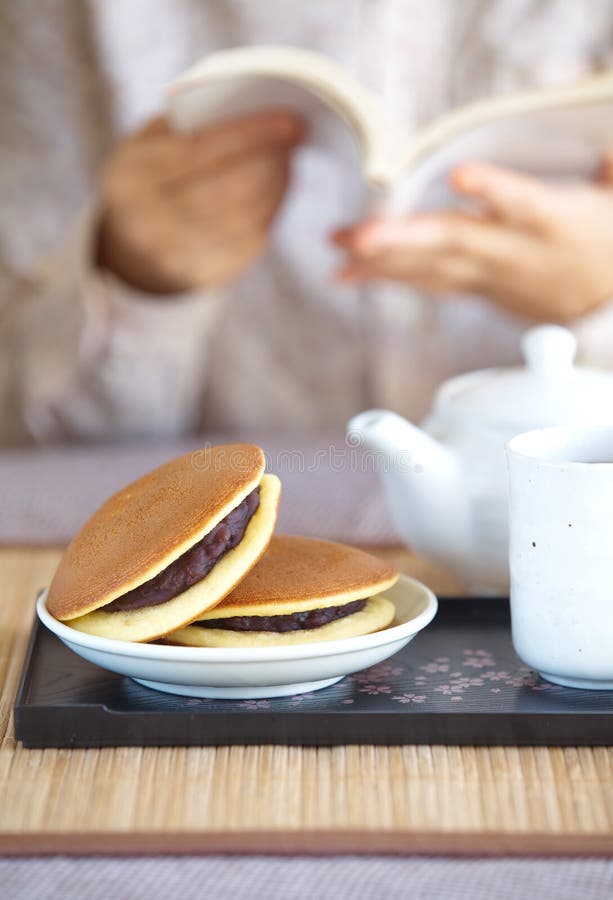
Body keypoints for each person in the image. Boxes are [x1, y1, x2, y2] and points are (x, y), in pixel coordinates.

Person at [3, 0, 613, 446]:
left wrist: (600, 299)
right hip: (221, 527)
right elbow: (26, 445)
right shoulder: (61, 19)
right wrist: (138, 276)